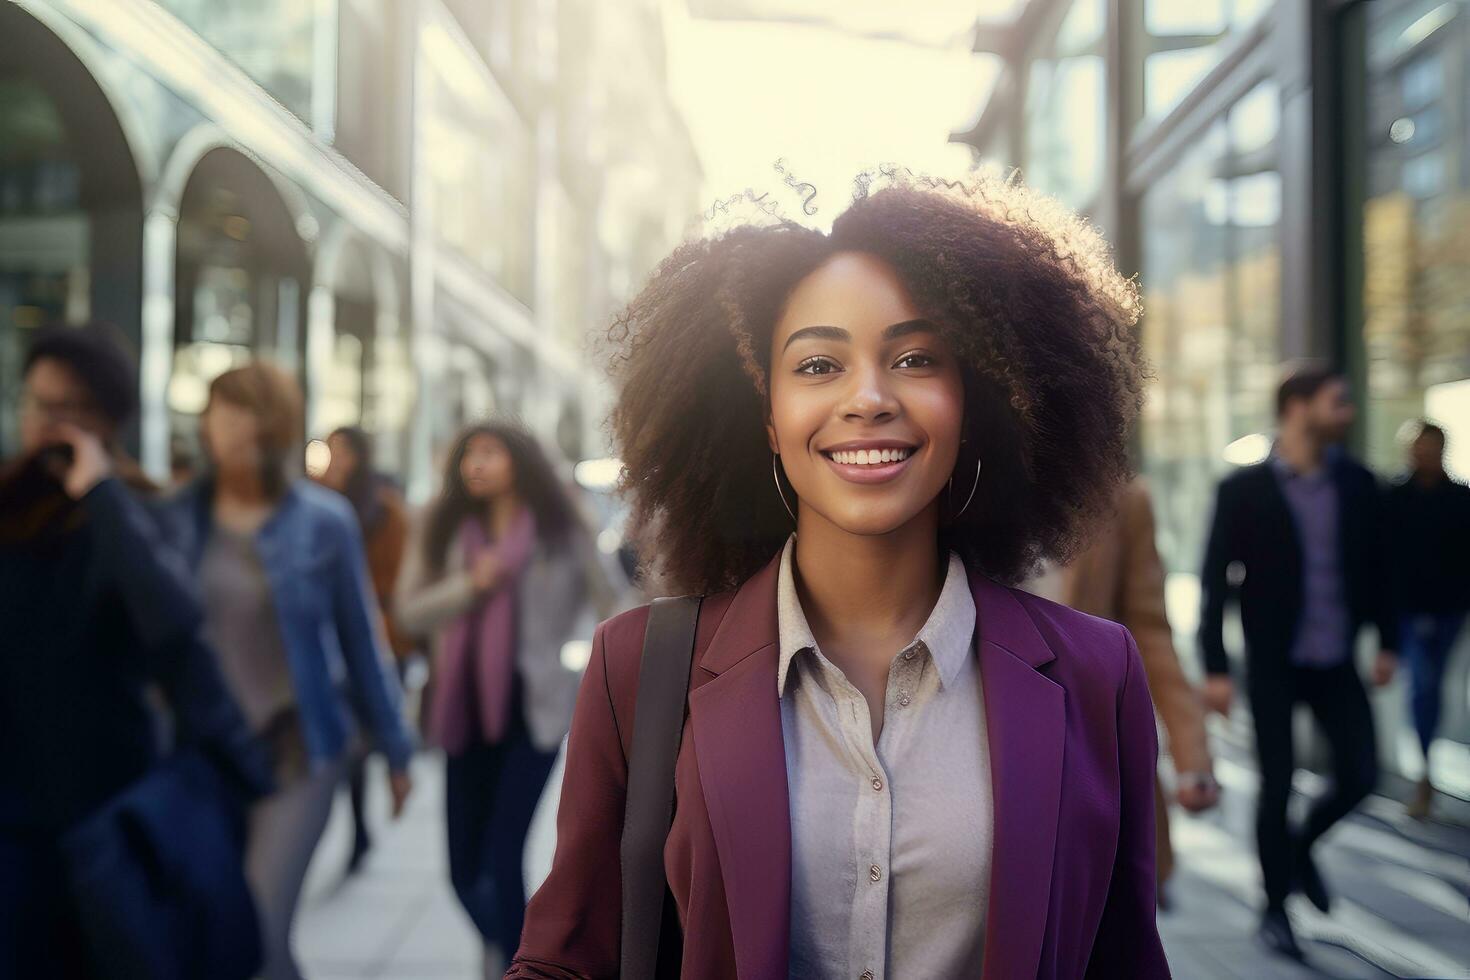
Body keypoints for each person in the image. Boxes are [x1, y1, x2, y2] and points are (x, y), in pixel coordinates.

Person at [510, 171, 1169, 978]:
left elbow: (1126, 960)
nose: (869, 398)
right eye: (818, 365)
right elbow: (566, 959)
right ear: (766, 417)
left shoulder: (1098, 676)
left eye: (916, 357)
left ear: (975, 402)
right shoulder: (639, 668)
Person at [0, 324, 269, 978]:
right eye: (38, 403)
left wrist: (99, 492)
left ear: (106, 418)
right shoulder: (6, 502)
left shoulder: (135, 509)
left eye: (69, 408)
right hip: (11, 805)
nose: (47, 423)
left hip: (103, 806)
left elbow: (172, 618)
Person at [166, 362, 416, 980]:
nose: (227, 427)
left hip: (298, 748)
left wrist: (396, 751)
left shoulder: (323, 521)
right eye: (218, 411)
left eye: (244, 412)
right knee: (211, 932)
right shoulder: (174, 516)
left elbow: (361, 643)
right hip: (203, 753)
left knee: (259, 924)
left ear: (274, 426)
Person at [395, 420, 615, 978]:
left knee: (501, 854)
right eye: (469, 453)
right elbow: (408, 611)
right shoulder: (442, 526)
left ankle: (516, 968)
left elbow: (613, 603)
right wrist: (470, 584)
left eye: (491, 451)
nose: (477, 463)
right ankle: (523, 958)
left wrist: (596, 677)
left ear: (520, 460)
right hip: (461, 709)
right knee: (461, 871)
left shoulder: (560, 528)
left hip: (534, 712)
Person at [1198, 365, 1397, 959]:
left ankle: (1301, 846)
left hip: (1335, 656)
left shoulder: (1359, 483)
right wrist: (1213, 666)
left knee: (1362, 774)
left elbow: (1380, 570)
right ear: (1298, 407)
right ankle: (1275, 908)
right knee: (1277, 783)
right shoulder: (1243, 490)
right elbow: (1215, 582)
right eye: (1337, 402)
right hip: (1273, 660)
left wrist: (1387, 641)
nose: (1348, 412)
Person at [1026, 477, 1217, 899]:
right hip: (988, 746)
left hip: (1089, 749)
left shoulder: (1122, 498)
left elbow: (1149, 629)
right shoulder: (963, 482)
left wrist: (1191, 753)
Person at [317, 424, 413, 873]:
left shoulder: (386, 510)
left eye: (342, 452)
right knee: (352, 743)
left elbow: (396, 581)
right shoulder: (312, 501)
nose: (335, 460)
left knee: (367, 736)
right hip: (325, 640)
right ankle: (357, 825)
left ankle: (361, 824)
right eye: (329, 451)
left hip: (376, 636)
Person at [1386, 420, 1470, 819]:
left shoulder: (1460, 499)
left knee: (1433, 689)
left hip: (1449, 612)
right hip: (1408, 612)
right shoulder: (1394, 498)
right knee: (1422, 687)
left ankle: (1427, 765)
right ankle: (1424, 772)